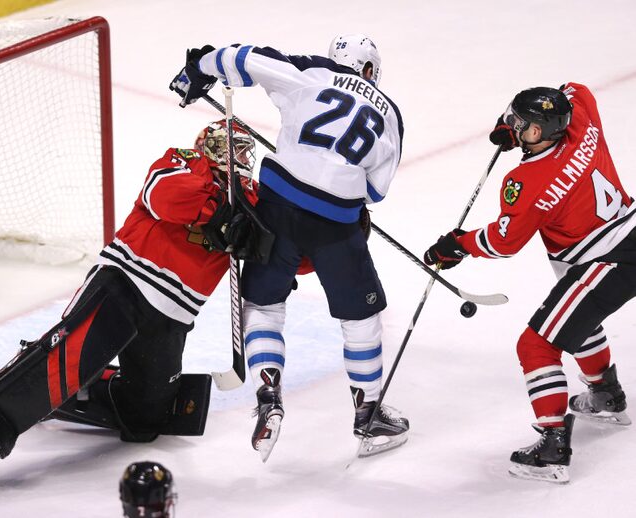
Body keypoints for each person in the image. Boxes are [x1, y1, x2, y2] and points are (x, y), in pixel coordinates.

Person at [0, 120, 260, 466]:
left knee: (145, 420)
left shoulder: (251, 202)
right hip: (126, 281)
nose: (243, 157)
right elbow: (163, 196)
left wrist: (300, 236)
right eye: (237, 148)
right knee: (71, 358)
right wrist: (218, 211)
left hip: (173, 315)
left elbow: (292, 256)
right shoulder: (185, 161)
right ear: (214, 147)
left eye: (247, 151)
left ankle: (71, 378)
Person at [170, 33, 408, 461]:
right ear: (371, 70)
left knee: (263, 303)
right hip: (336, 223)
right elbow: (375, 190)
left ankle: (268, 394)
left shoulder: (312, 71)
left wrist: (201, 68)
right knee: (361, 316)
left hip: (277, 207)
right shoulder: (390, 113)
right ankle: (368, 414)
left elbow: (246, 58)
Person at [423, 83, 634, 483]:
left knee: (536, 345)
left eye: (523, 125)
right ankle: (606, 396)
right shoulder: (581, 119)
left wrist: (458, 245)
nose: (513, 126)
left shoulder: (528, 181)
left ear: (541, 132)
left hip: (605, 261)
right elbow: (574, 90)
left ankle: (553, 446)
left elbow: (503, 243)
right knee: (576, 318)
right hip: (629, 235)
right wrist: (537, 114)